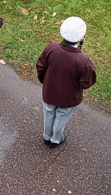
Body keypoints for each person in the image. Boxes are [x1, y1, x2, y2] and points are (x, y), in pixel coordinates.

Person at [36, 16, 96, 148]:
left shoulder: (51, 48)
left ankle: (47, 136)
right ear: (81, 38)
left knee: (48, 113)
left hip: (49, 92)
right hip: (68, 98)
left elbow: (40, 66)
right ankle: (56, 140)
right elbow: (86, 82)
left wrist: (45, 81)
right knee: (61, 118)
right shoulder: (83, 60)